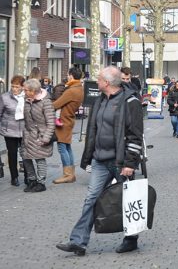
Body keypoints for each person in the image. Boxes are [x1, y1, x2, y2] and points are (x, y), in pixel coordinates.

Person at [56, 66, 144, 256]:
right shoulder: (99, 100)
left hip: (120, 162)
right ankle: (78, 242)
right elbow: (93, 130)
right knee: (91, 199)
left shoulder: (131, 102)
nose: (96, 81)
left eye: (99, 79)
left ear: (107, 83)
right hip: (100, 160)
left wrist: (130, 164)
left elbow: (136, 135)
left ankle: (131, 239)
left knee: (128, 201)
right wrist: (89, 156)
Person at [52, 67, 84, 184]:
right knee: (67, 147)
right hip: (69, 120)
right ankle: (71, 173)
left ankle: (68, 174)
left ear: (71, 76)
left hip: (63, 121)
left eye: (67, 75)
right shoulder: (79, 88)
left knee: (62, 147)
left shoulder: (71, 90)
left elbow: (56, 104)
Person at [22, 78, 55, 192]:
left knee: (39, 159)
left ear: (33, 91)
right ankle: (32, 180)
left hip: (40, 136)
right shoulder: (26, 100)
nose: (24, 92)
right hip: (28, 135)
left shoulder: (45, 102)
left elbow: (51, 122)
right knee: (26, 158)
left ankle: (41, 183)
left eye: (26, 90)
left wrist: (46, 138)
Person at [0, 75, 26, 186]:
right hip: (9, 130)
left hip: (25, 130)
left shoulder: (27, 97)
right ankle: (14, 177)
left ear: (22, 87)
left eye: (17, 87)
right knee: (12, 154)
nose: (14, 89)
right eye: (12, 86)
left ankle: (28, 176)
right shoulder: (5, 97)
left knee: (26, 154)